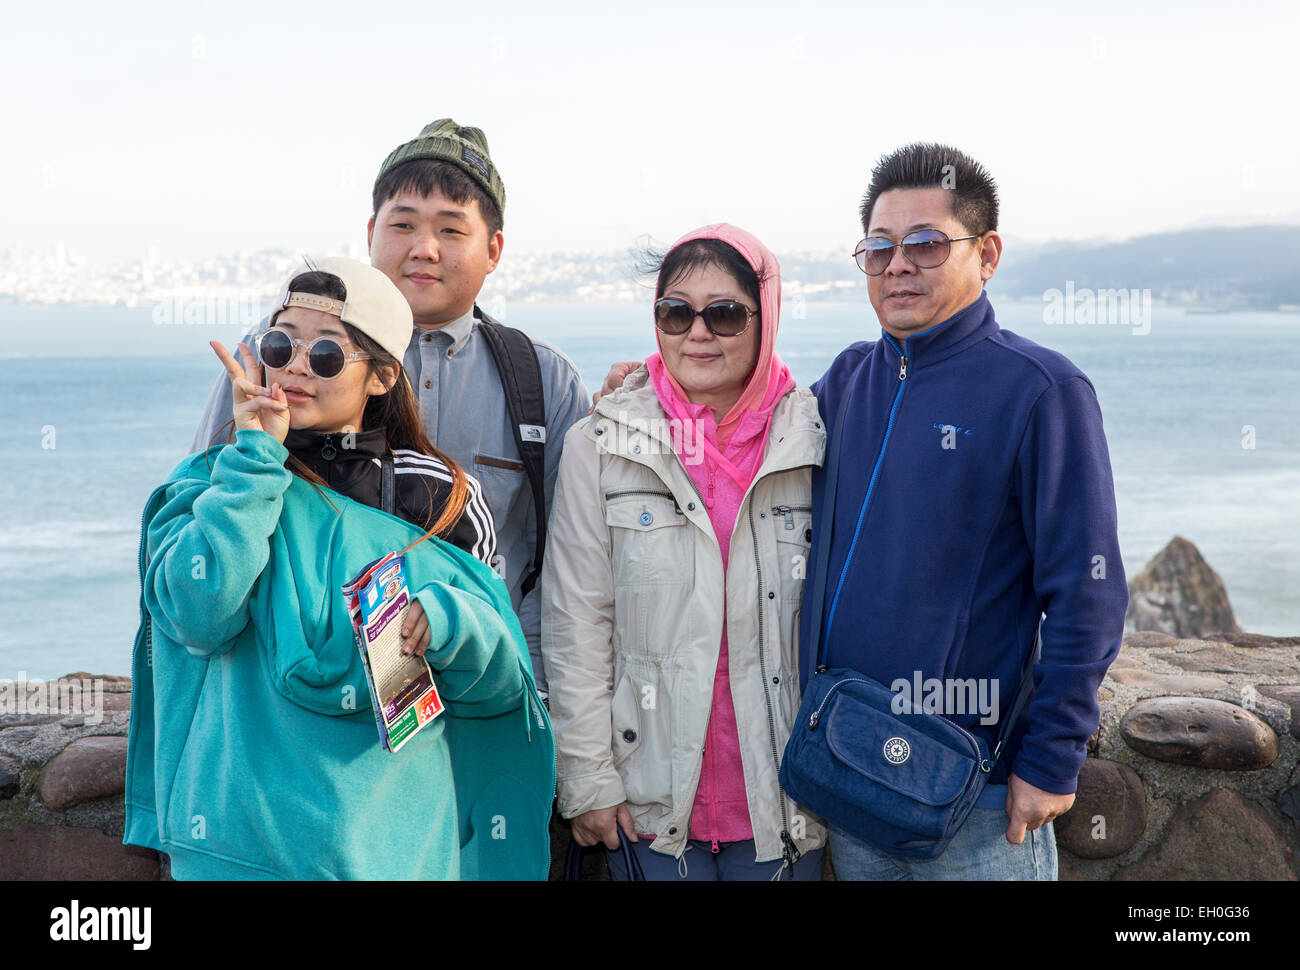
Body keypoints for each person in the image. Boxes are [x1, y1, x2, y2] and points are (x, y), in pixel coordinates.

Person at [124, 257, 555, 880]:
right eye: (281, 344)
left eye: (327, 355)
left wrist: (449, 620)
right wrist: (255, 459)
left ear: (381, 377)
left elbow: (497, 688)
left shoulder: (439, 504)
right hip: (233, 852)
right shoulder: (208, 485)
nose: (296, 365)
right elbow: (200, 616)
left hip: (391, 853)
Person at [800, 143, 1129, 879]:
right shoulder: (846, 381)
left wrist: (1051, 758)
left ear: (987, 255)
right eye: (877, 248)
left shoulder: (1042, 389)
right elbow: (742, 431)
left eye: (925, 244)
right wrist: (650, 391)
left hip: (975, 794)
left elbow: (1090, 591)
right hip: (850, 766)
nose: (897, 266)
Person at [192, 120, 590, 701]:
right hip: (289, 702)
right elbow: (205, 510)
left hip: (484, 697)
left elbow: (572, 569)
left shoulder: (543, 380)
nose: (423, 248)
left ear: (494, 249)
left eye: (451, 229)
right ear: (372, 231)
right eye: (402, 224)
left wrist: (538, 702)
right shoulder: (274, 353)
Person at [541, 224, 827, 880]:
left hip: (784, 801)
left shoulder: (811, 441)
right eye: (675, 313)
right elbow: (576, 624)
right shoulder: (601, 446)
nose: (697, 334)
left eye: (723, 314)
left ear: (766, 317)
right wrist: (588, 779)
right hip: (649, 802)